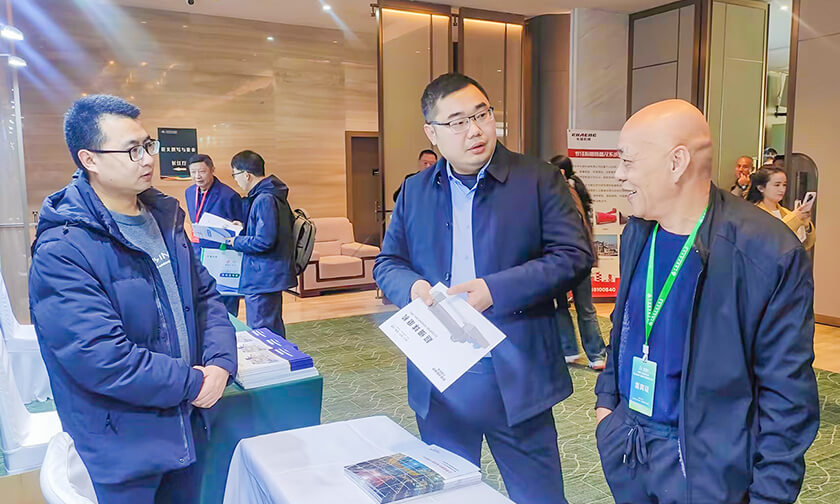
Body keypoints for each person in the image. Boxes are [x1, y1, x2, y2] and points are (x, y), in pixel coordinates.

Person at [374, 73, 593, 504]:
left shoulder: (538, 179)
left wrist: (495, 289)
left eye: (482, 115)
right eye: (457, 122)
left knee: (539, 497)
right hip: (441, 375)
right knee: (449, 495)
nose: (475, 130)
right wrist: (413, 287)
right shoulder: (415, 190)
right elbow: (388, 262)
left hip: (516, 373)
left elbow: (574, 255)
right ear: (432, 133)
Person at [593, 99, 818, 504]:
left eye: (628, 161)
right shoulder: (639, 232)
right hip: (630, 447)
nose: (618, 174)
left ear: (677, 162)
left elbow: (787, 396)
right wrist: (607, 406)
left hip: (706, 471)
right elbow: (624, 327)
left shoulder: (766, 252)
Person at [29, 95, 237, 503]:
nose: (147, 159)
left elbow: (205, 298)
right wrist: (195, 382)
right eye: (132, 150)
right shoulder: (64, 249)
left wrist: (220, 363)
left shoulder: (164, 217)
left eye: (148, 146)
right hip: (123, 444)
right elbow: (102, 358)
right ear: (89, 159)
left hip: (184, 424)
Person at [224, 150, 296, 338]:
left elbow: (264, 241)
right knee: (271, 328)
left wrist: (236, 241)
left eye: (235, 174)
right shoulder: (271, 194)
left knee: (263, 332)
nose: (236, 180)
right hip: (268, 275)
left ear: (246, 175)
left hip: (263, 276)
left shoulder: (264, 199)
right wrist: (244, 228)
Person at [549, 154, 607, 370]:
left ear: (560, 172)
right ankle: (591, 354)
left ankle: (576, 351)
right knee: (583, 308)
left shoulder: (561, 192)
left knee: (564, 306)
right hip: (578, 258)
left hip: (566, 259)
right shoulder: (575, 191)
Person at [185, 153, 245, 315]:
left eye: (202, 171)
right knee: (203, 302)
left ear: (212, 170)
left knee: (226, 306)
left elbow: (241, 227)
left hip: (223, 255)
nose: (197, 176)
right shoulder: (189, 192)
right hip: (199, 253)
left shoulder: (229, 195)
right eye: (193, 172)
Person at [746, 165, 816, 250]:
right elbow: (771, 239)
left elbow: (805, 245)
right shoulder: (753, 213)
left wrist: (807, 227)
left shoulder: (786, 212)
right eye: (777, 185)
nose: (782, 189)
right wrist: (794, 220)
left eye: (784, 185)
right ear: (761, 188)